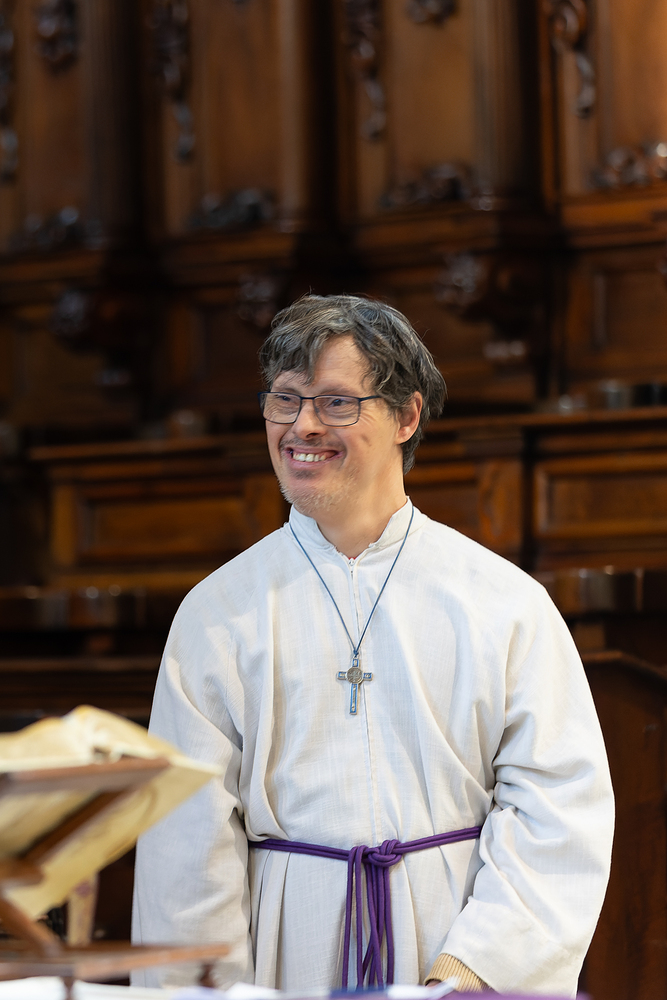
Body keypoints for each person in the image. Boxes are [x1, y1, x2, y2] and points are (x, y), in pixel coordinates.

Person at [132, 294, 614, 995]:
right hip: (283, 957)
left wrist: (469, 975)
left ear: (406, 416)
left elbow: (557, 808)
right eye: (285, 399)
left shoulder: (502, 603)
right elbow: (185, 840)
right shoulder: (217, 614)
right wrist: (209, 990)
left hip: (452, 941)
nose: (301, 426)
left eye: (335, 402)